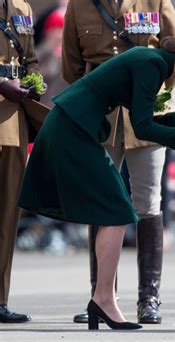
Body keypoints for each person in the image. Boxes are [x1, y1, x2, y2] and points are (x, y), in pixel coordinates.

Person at [17, 33, 175, 330]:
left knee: (116, 211)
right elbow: (143, 128)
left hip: (74, 124)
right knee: (117, 210)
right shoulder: (152, 64)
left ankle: (102, 299)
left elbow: (144, 119)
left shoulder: (153, 62)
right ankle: (103, 299)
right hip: (73, 128)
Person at [61, 0, 175, 325]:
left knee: (148, 202)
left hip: (147, 117)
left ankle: (149, 298)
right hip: (102, 118)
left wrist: (154, 96)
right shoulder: (79, 5)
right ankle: (101, 297)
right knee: (100, 205)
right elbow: (70, 67)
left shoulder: (154, 0)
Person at [0, 0, 48, 324]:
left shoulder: (22, 7)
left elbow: (29, 58)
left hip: (13, 122)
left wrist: (34, 81)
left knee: (7, 216)